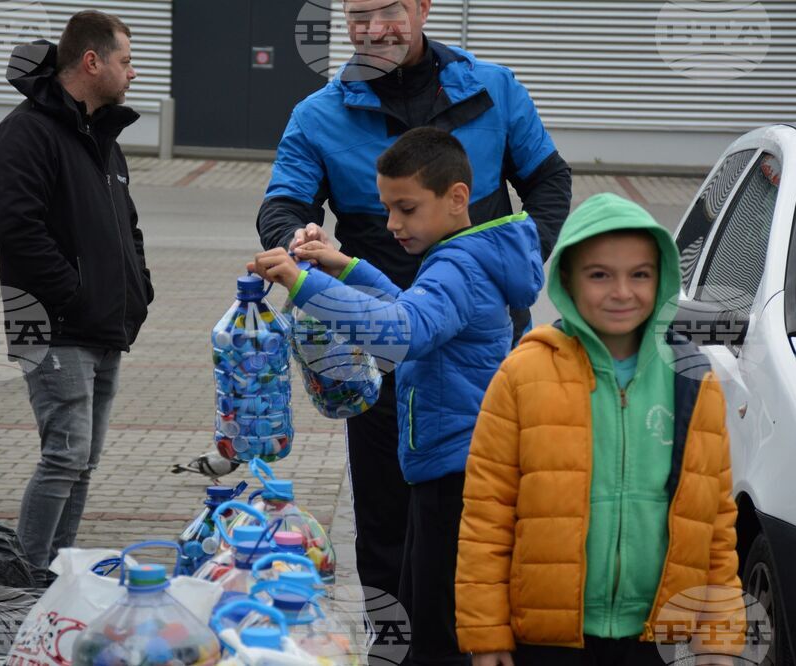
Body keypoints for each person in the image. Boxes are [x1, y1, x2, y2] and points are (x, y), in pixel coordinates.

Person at [257, 0, 572, 604]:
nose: (373, 29)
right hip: (376, 351)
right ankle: (395, 638)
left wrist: (515, 258)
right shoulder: (317, 114)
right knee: (384, 517)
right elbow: (283, 203)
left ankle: (476, 634)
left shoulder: (494, 89)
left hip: (487, 352)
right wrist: (294, 241)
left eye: (390, 11)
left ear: (424, 7)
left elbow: (549, 182)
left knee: (486, 513)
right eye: (357, 16)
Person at [251, 127, 544, 666]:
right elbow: (415, 307)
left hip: (458, 473)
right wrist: (350, 268)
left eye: (406, 208)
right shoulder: (462, 255)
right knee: (419, 610)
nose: (392, 224)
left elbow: (404, 331)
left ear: (457, 198)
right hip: (446, 463)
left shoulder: (459, 265)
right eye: (387, 208)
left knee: (435, 633)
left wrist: (303, 283)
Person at [455, 193, 744, 666]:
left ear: (662, 277)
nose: (622, 292)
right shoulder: (522, 375)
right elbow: (487, 517)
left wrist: (719, 633)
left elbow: (714, 523)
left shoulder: (693, 380)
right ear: (567, 279)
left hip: (660, 638)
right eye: (599, 275)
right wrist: (486, 634)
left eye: (640, 275)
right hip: (549, 640)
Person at [0, 10, 153, 583]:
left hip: (103, 324)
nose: (133, 73)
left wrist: (139, 288)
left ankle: (57, 577)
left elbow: (126, 225)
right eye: (126, 60)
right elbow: (18, 231)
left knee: (83, 462)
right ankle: (23, 581)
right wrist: (77, 295)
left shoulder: (102, 135)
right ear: (91, 61)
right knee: (64, 455)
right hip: (52, 324)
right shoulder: (25, 133)